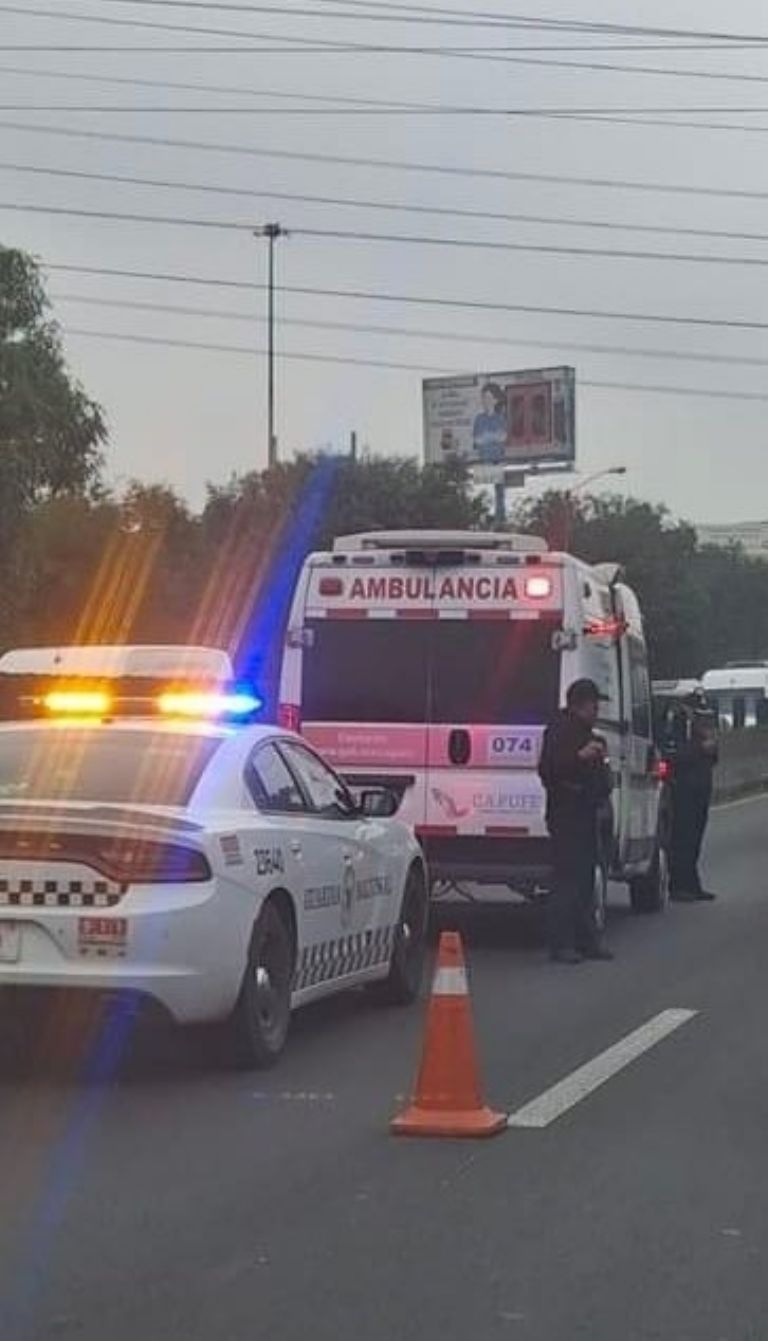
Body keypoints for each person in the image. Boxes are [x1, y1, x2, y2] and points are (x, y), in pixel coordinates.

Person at [538, 678, 614, 964]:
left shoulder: (588, 733)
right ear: (581, 705)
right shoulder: (559, 730)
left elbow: (600, 775)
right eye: (594, 705)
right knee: (566, 880)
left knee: (585, 880)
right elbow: (548, 770)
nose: (597, 710)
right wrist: (579, 757)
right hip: (566, 813)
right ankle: (561, 943)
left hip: (587, 812)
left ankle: (587, 940)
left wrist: (599, 768)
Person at [667, 689, 718, 902]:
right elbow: (673, 757)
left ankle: (692, 884)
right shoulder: (677, 725)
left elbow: (713, 758)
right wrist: (700, 748)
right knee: (682, 838)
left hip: (701, 789)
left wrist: (710, 748)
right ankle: (679, 885)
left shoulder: (702, 730)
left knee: (695, 839)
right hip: (683, 790)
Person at [472, 383, 508, 464]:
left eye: (488, 398)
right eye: (484, 397)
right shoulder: (479, 419)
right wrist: (494, 437)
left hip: (499, 461)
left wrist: (486, 436)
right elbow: (477, 441)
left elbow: (503, 438)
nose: (485, 401)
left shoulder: (501, 418)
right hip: (483, 461)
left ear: (495, 400)